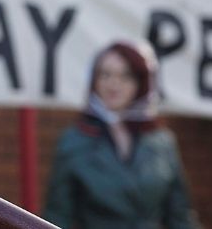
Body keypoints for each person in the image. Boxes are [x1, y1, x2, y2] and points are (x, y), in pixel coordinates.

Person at [42, 40, 197, 228]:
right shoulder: (73, 141)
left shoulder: (163, 142)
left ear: (141, 82)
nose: (114, 84)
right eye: (105, 75)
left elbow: (180, 217)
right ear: (94, 80)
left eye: (126, 76)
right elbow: (57, 216)